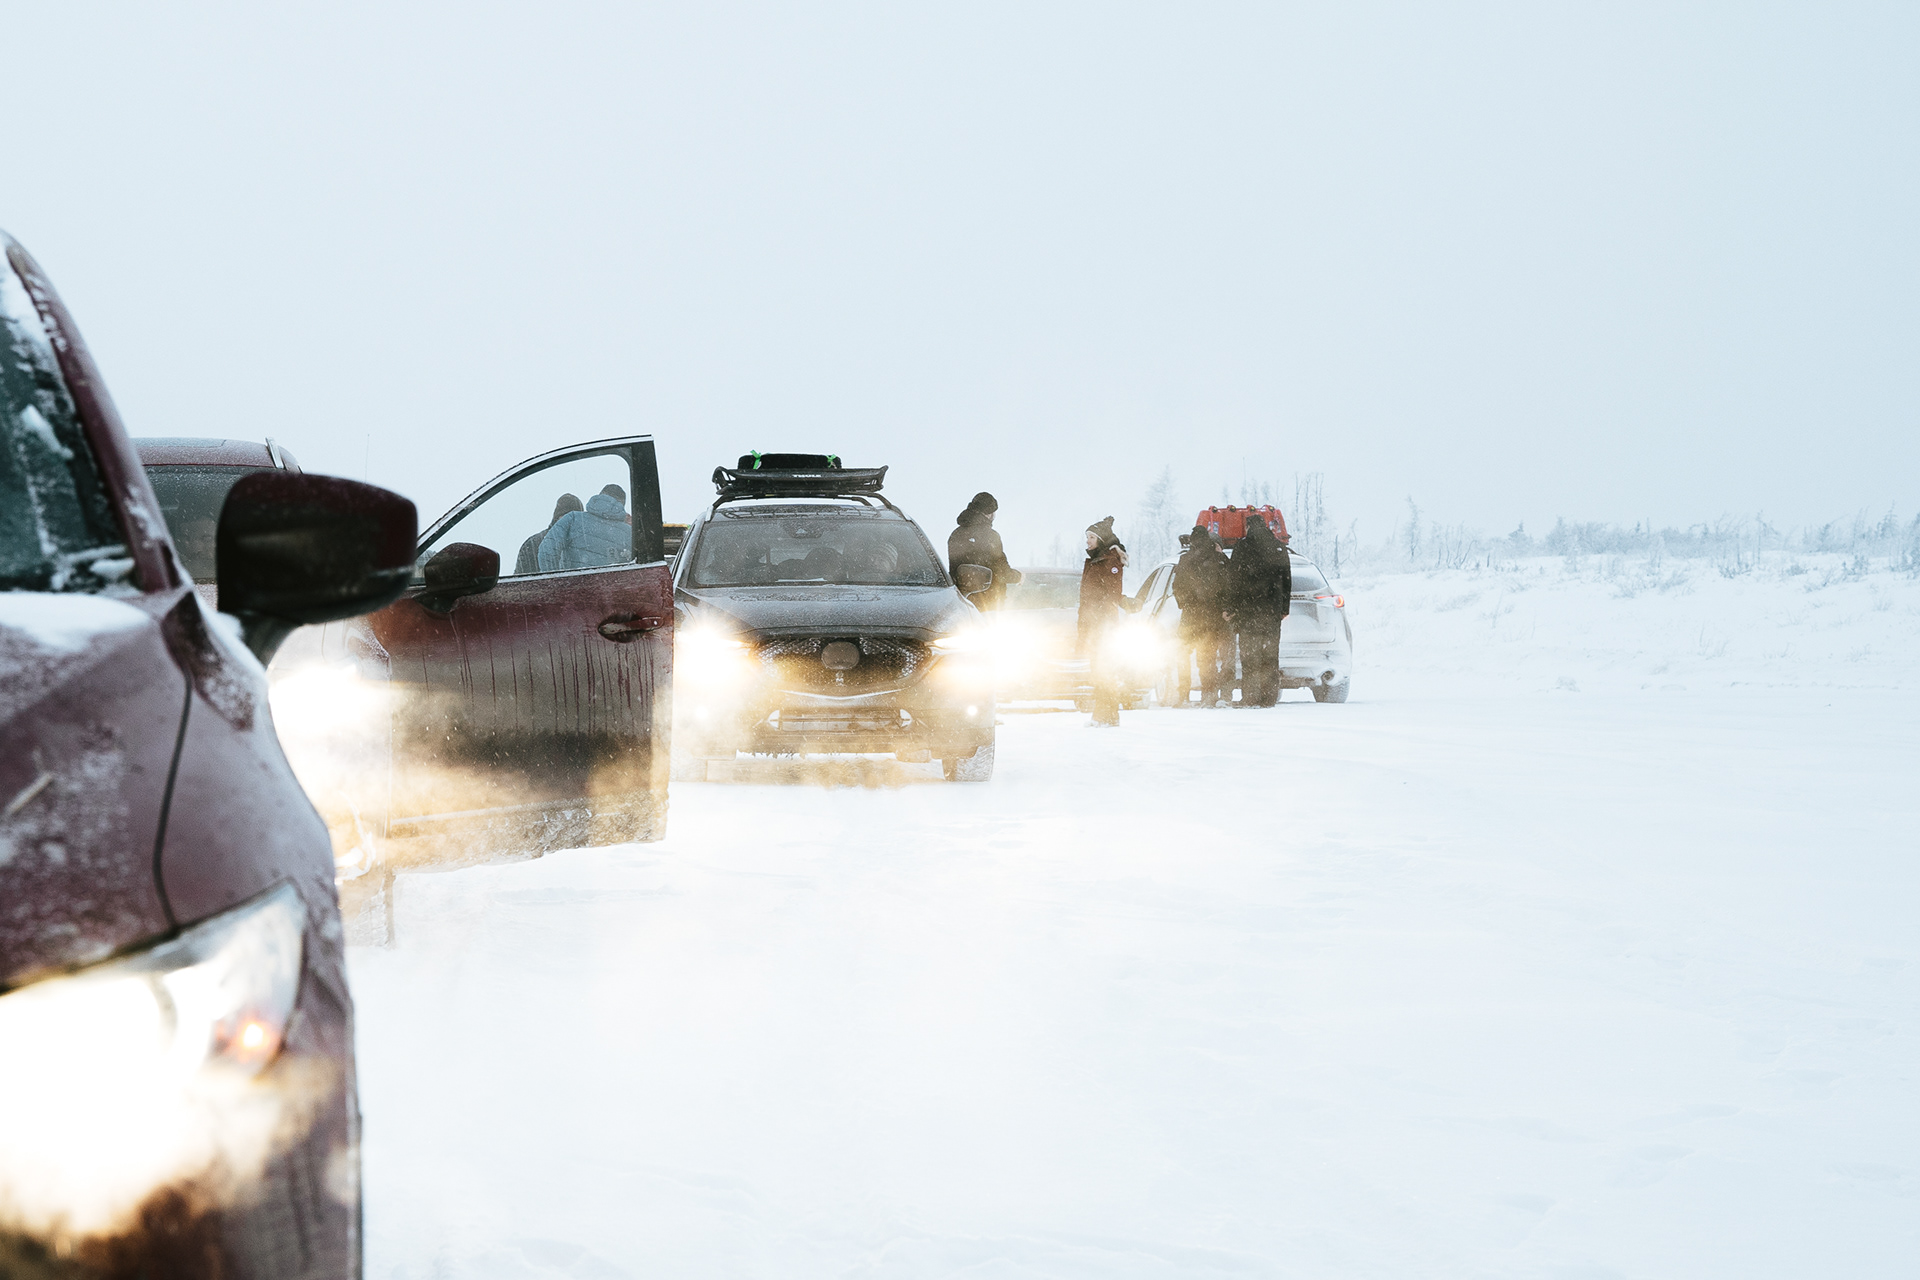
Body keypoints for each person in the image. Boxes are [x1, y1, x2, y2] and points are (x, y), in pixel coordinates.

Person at [1225, 514, 1292, 707]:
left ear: (1248, 528)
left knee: (1250, 656)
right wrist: (1283, 608)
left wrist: (1232, 607)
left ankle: (1251, 696)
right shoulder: (1279, 547)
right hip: (1272, 612)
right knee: (1270, 655)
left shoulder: (1243, 547)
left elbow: (1234, 580)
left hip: (1248, 611)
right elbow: (1287, 579)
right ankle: (1269, 697)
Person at [1171, 524, 1231, 708]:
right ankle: (1209, 694)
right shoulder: (1219, 559)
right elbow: (1228, 585)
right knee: (1207, 657)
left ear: (1192, 540)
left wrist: (1186, 604)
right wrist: (1223, 607)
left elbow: (1177, 587)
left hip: (1190, 617)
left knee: (1183, 654)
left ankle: (1183, 694)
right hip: (1212, 616)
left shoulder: (1186, 559)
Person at [1077, 516, 1128, 726]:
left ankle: (1106, 715)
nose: (1087, 541)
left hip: (1104, 625)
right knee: (1099, 671)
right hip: (1093, 623)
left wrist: (1098, 618)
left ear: (1101, 540)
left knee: (1104, 671)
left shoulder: (1109, 562)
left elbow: (1112, 594)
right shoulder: (1095, 560)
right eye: (1087, 537)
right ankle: (1104, 715)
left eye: (1091, 537)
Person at [947, 491, 1022, 609]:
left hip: (964, 603)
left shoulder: (956, 534)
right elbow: (1001, 572)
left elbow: (954, 570)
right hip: (989, 604)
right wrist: (1018, 577)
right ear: (988, 514)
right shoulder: (990, 536)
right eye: (993, 512)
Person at [538, 483, 633, 571]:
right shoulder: (629, 533)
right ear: (621, 505)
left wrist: (555, 583)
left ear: (600, 496)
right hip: (612, 588)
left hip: (574, 586)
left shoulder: (573, 518)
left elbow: (546, 551)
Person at [516, 493, 582, 575]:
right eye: (565, 516)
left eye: (572, 517)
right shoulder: (533, 544)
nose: (568, 522)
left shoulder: (534, 543)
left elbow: (519, 582)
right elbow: (520, 582)